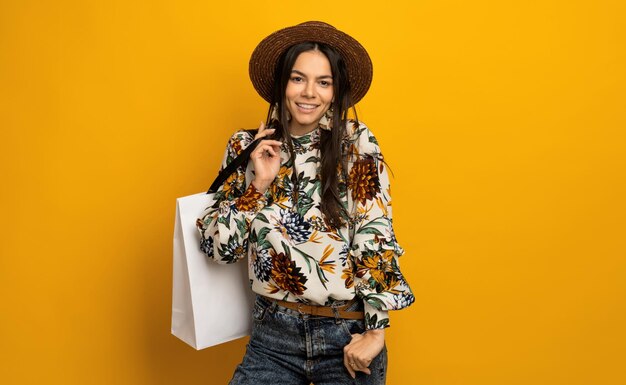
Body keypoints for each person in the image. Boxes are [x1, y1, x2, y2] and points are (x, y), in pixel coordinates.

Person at [197, 21, 415, 385]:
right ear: (282, 84)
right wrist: (260, 183)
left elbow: (375, 234)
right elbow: (219, 250)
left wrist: (375, 333)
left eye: (323, 82)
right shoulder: (245, 146)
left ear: (335, 91)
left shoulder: (355, 143)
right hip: (271, 336)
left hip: (345, 333)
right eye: (298, 79)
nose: (309, 92)